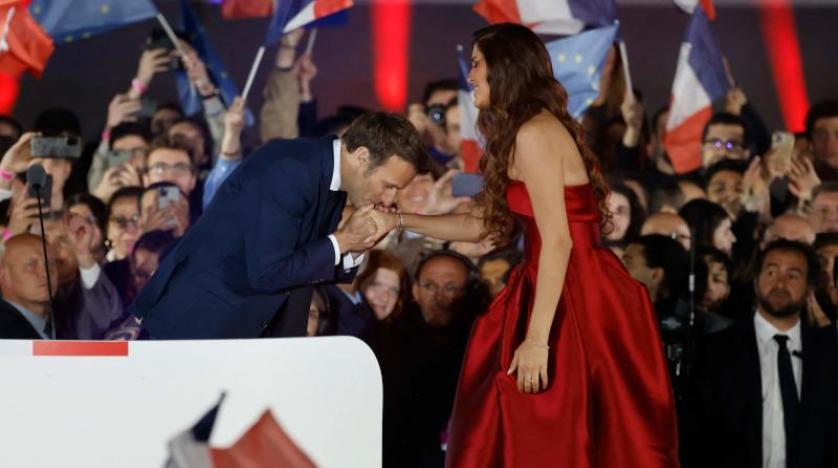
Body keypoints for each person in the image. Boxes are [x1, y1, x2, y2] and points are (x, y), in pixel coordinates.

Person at [374, 23, 678, 467]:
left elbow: (558, 240)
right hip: (552, 285)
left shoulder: (534, 133)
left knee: (555, 431)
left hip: (575, 298)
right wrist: (399, 220)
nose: (470, 76)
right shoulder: (522, 132)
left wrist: (538, 341)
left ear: (504, 68)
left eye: (477, 64)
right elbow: (485, 225)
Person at [129, 112, 429, 339]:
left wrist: (357, 244)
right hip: (197, 325)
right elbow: (268, 271)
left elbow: (305, 264)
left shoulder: (332, 174)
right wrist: (344, 240)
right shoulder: (292, 170)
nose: (390, 199)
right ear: (362, 157)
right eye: (389, 186)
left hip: (239, 331)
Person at [683, 240, 838, 468]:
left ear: (809, 287)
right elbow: (695, 435)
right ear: (756, 281)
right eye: (771, 272)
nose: (780, 283)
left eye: (793, 275)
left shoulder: (828, 353)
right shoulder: (717, 350)